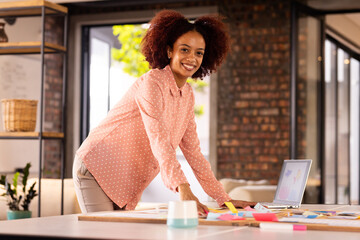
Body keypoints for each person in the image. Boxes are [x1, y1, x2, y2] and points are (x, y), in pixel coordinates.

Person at [73, 9, 256, 215]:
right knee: (102, 234)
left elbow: (194, 153)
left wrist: (224, 199)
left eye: (199, 53)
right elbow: (159, 141)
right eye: (184, 50)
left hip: (125, 179)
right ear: (170, 51)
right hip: (97, 168)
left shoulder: (187, 95)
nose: (192, 58)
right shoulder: (152, 83)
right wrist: (183, 189)